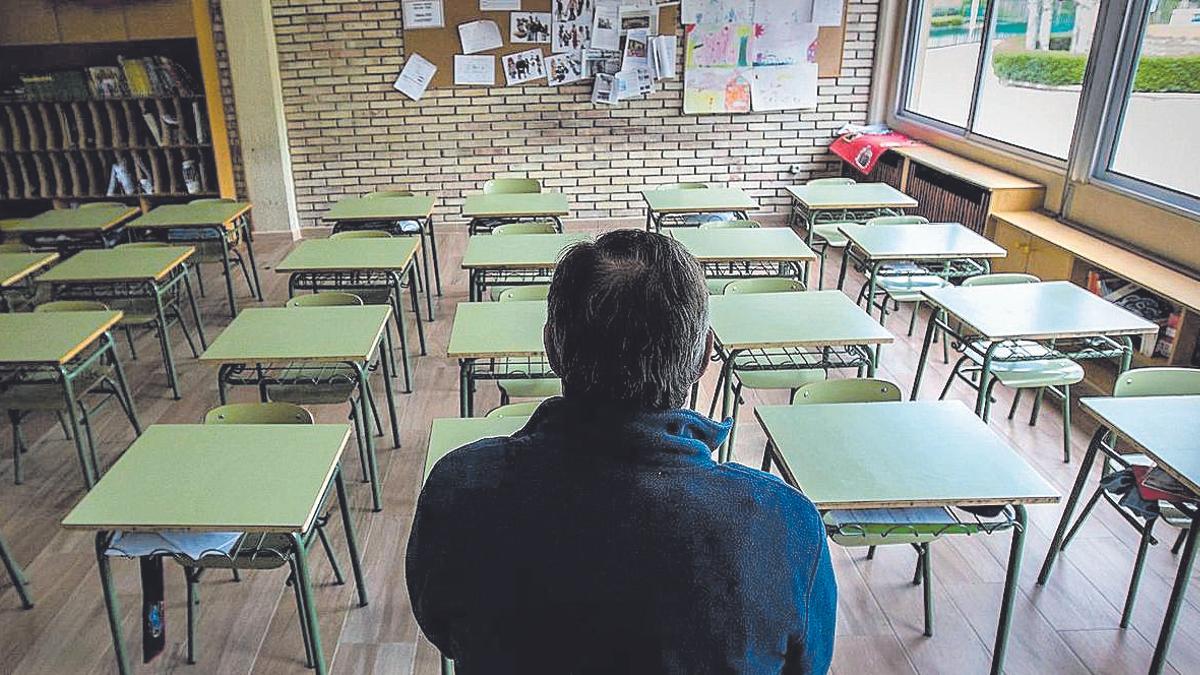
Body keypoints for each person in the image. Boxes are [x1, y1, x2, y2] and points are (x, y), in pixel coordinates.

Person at [407, 229, 837, 673]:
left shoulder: (459, 489)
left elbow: (441, 625)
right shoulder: (784, 525)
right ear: (704, 354)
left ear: (552, 346)